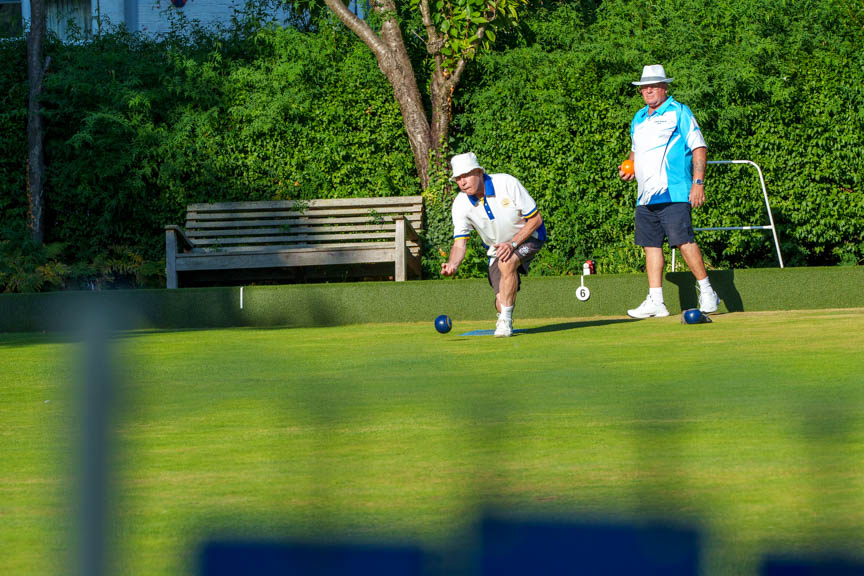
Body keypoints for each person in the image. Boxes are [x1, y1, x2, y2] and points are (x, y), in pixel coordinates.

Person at [619, 64, 720, 318]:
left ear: (664, 87)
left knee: (684, 242)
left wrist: (698, 183)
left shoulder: (679, 112)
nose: (648, 90)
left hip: (674, 192)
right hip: (645, 196)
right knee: (650, 246)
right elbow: (634, 152)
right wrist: (629, 168)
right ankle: (656, 301)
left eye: (654, 86)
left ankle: (708, 291)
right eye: (644, 87)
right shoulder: (638, 118)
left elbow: (699, 147)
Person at [441, 152, 546, 337]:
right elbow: (459, 244)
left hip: (530, 236)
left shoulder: (507, 183)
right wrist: (452, 264)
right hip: (496, 250)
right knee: (500, 301)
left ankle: (505, 322)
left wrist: (512, 244)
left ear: (479, 172)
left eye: (466, 175)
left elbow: (535, 220)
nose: (462, 182)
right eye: (458, 178)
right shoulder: (460, 204)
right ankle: (504, 307)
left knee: (507, 262)